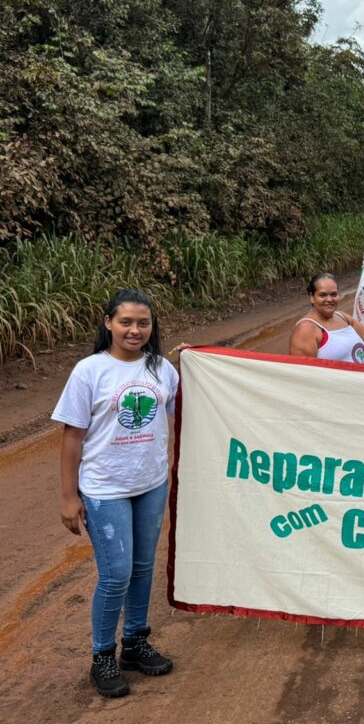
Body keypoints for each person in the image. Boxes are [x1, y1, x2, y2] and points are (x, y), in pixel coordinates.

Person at [53, 289, 183, 698]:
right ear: (108, 322)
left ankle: (135, 643)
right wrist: (69, 497)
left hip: (150, 483)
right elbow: (72, 438)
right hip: (104, 488)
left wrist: (199, 362)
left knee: (144, 566)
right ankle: (103, 656)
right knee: (116, 574)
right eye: (126, 321)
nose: (135, 330)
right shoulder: (89, 371)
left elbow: (178, 414)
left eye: (143, 323)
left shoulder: (162, 369)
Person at [289, 273, 364, 362]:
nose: (329, 299)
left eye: (334, 294)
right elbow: (301, 376)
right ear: (312, 297)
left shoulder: (342, 317)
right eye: (323, 295)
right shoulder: (306, 329)